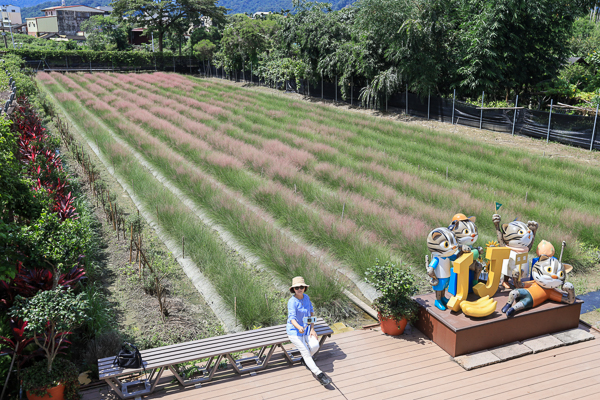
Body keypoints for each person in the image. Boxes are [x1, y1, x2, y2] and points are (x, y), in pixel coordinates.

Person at [287, 276, 332, 386]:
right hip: (294, 331)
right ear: (293, 289)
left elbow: (311, 313)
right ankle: (320, 375)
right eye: (297, 287)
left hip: (307, 329)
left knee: (315, 345)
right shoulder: (292, 302)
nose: (299, 289)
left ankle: (305, 360)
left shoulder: (306, 297)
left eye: (301, 287)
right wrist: (299, 327)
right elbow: (292, 318)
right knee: (306, 352)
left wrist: (312, 329)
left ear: (304, 288)